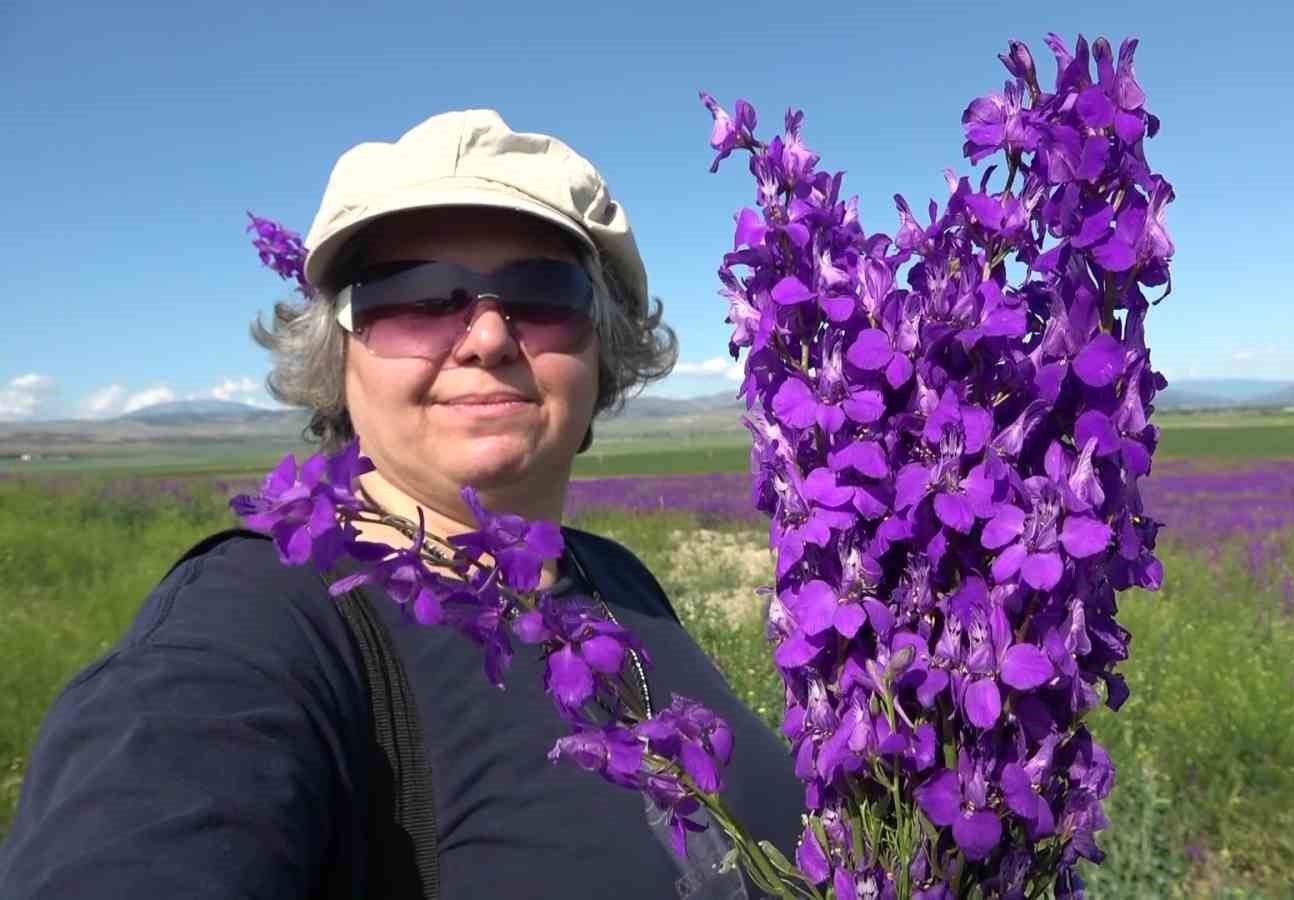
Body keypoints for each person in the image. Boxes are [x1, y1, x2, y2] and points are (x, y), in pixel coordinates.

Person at [0, 109, 805, 898]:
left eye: (540, 292)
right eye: (416, 296)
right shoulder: (252, 629)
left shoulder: (616, 577)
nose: (487, 338)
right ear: (339, 355)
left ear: (603, 346)